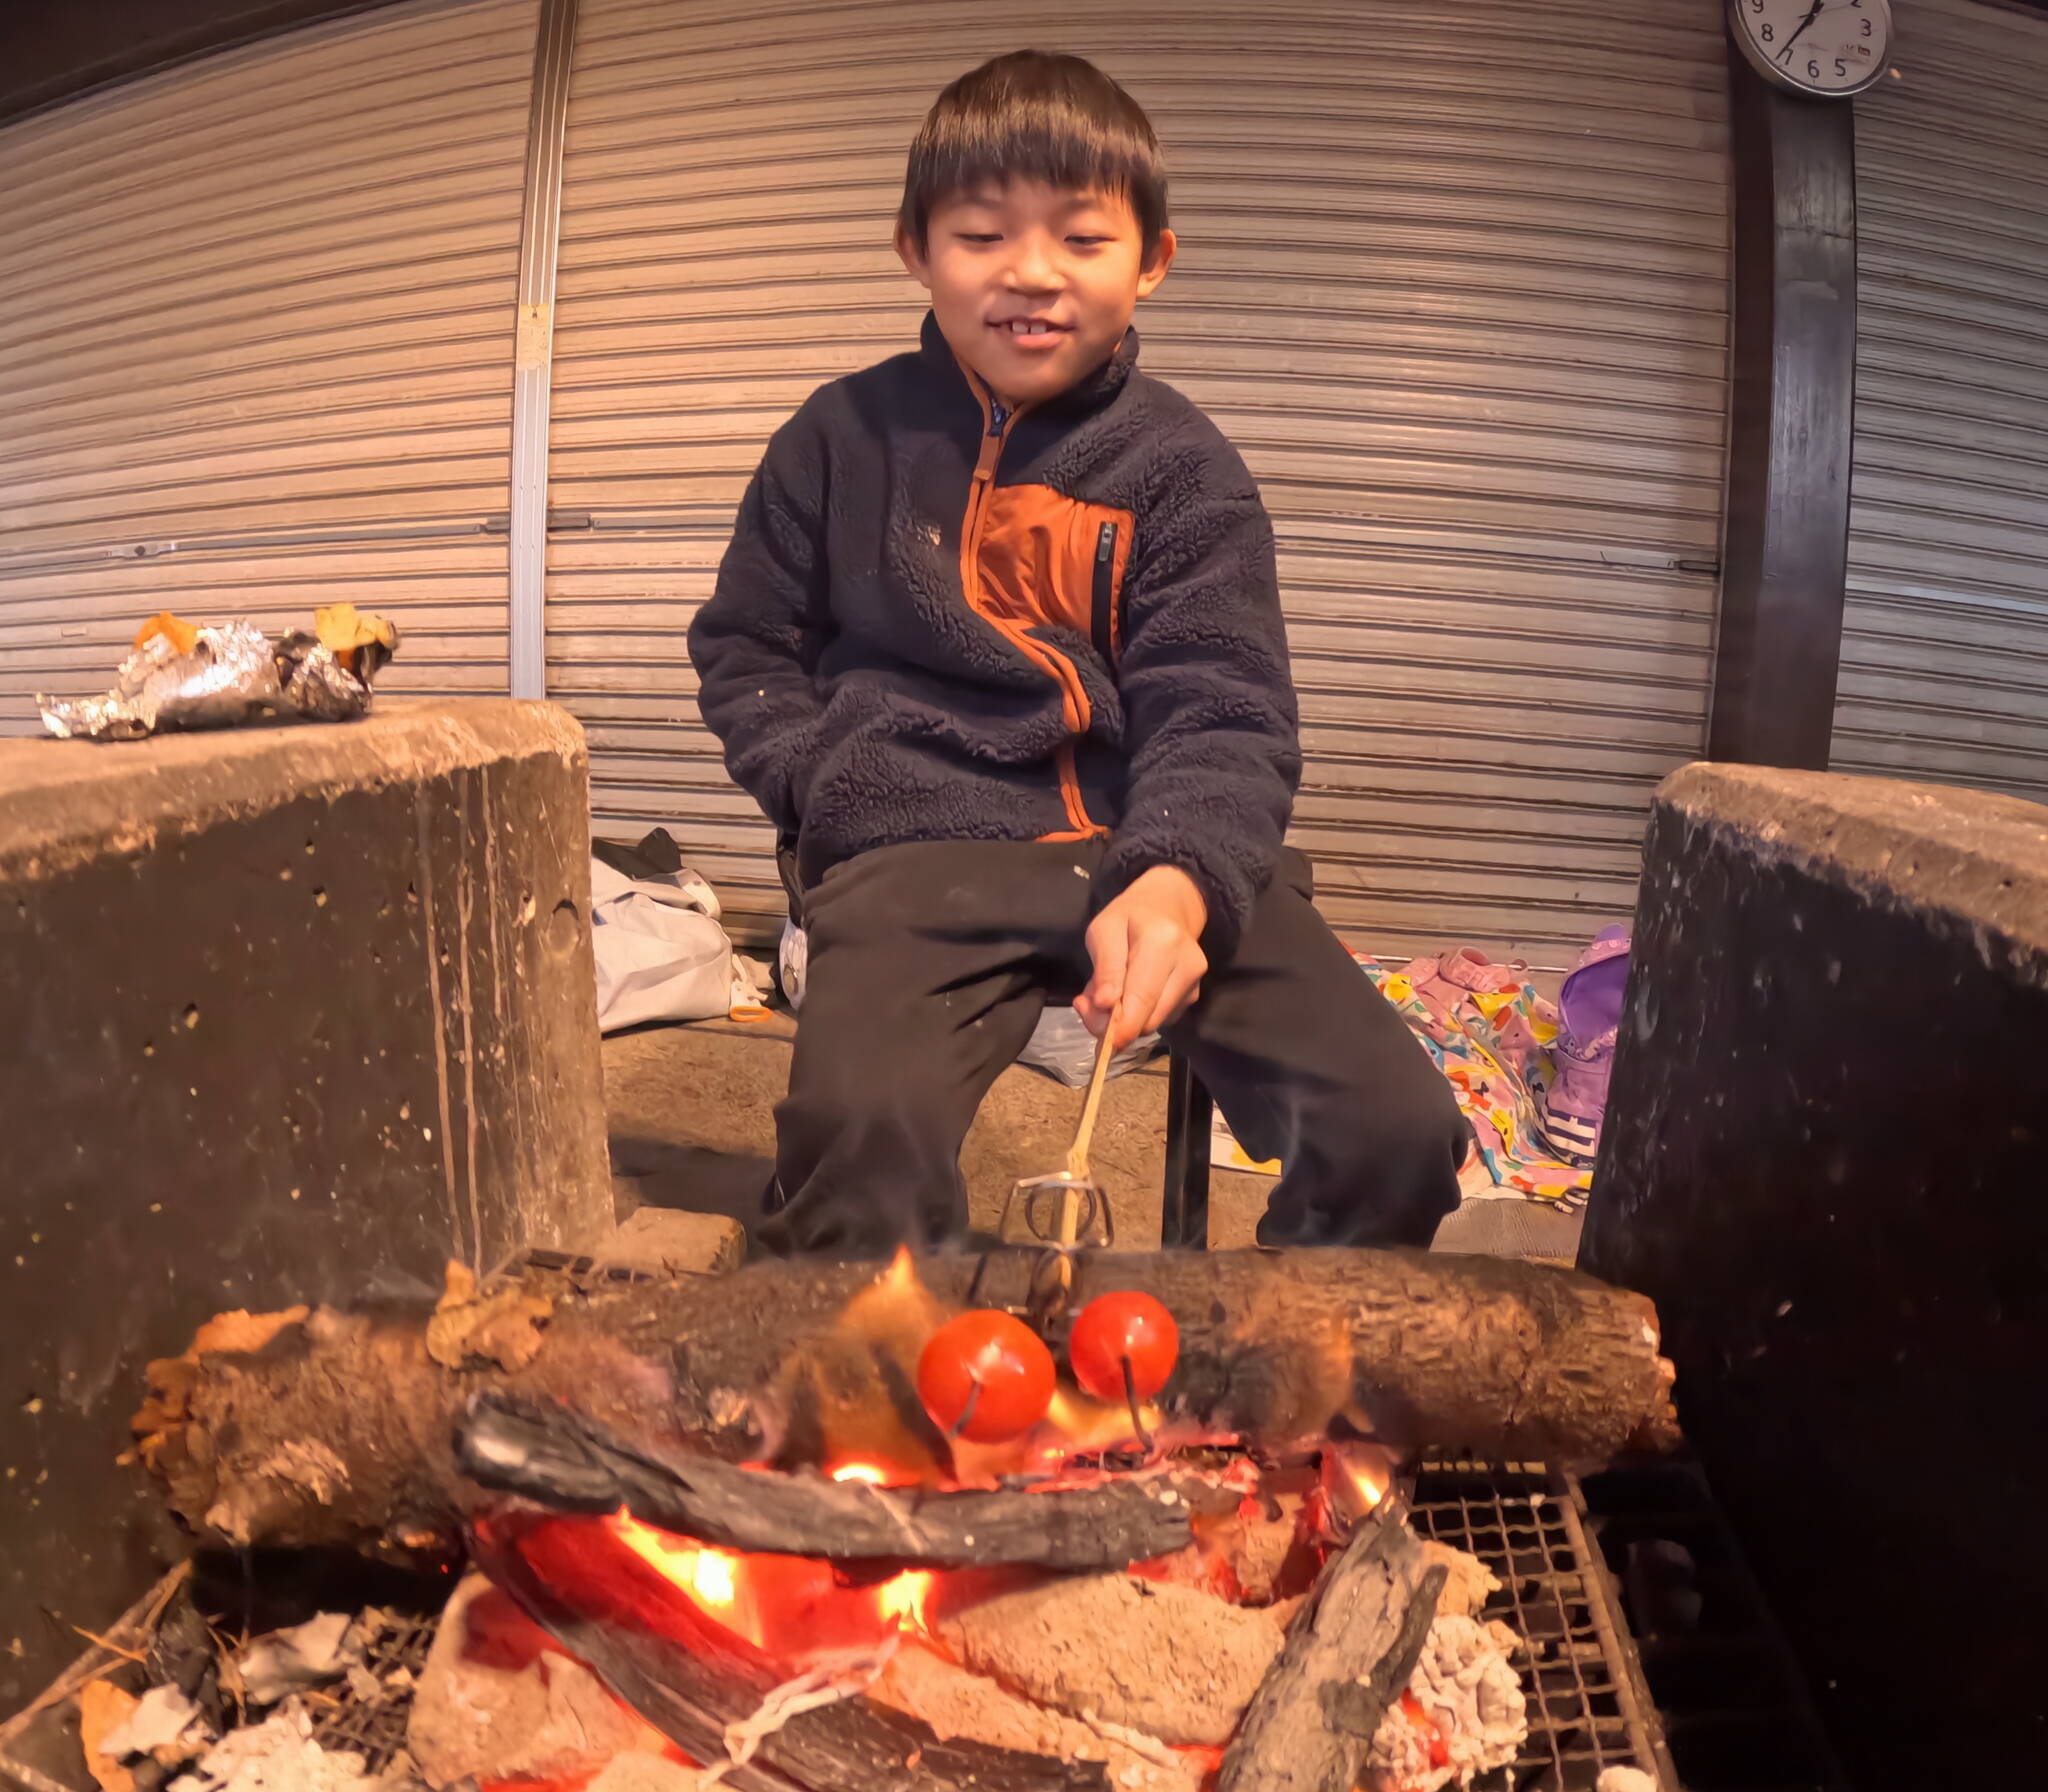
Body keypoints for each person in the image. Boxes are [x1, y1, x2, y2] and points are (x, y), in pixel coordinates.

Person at [688, 49, 1469, 1256]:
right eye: (980, 234)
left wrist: (1179, 877)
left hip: (1144, 843)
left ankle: (1276, 1354)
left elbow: (1224, 708)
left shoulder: (1184, 470)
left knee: (1395, 1132)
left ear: (1151, 260)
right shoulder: (836, 439)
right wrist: (822, 785)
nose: (1031, 273)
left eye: (1082, 238)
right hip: (913, 852)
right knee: (855, 1152)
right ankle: (895, 1362)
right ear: (914, 249)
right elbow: (748, 643)